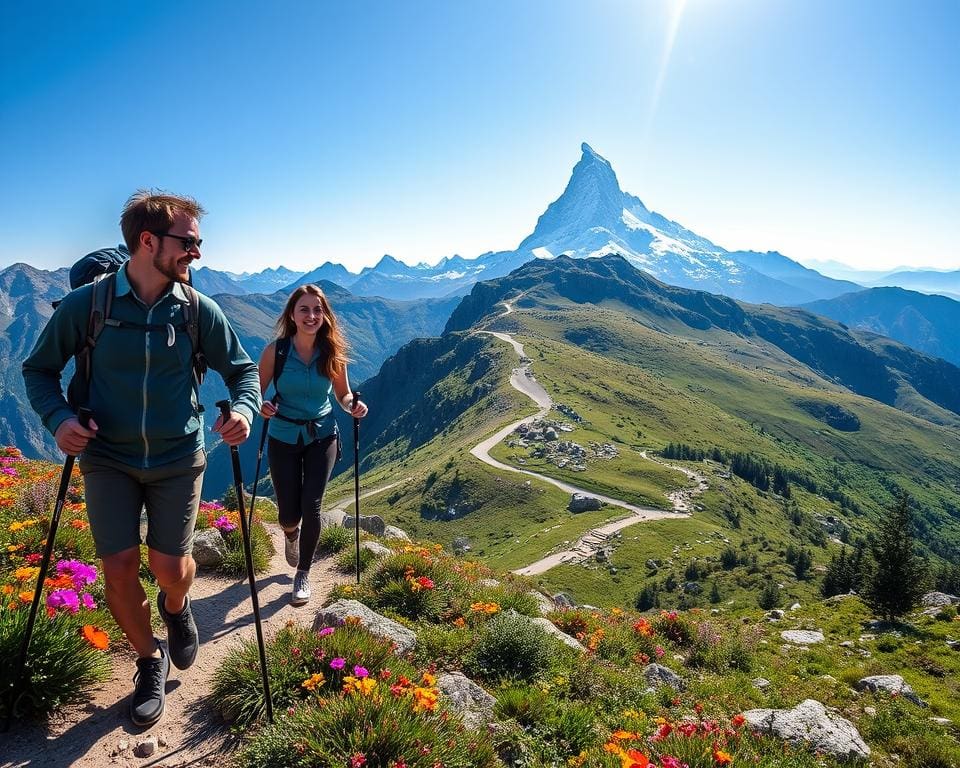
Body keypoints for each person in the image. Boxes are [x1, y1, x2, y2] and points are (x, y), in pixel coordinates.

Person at [22, 191, 261, 727]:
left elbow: (242, 371)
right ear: (147, 241)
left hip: (179, 455)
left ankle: (177, 608)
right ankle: (148, 659)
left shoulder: (199, 310)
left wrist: (244, 410)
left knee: (170, 569)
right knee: (120, 568)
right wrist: (59, 420)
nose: (196, 253)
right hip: (107, 457)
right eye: (189, 242)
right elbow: (38, 371)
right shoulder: (89, 306)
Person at [258, 284, 368, 605]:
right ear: (292, 314)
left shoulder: (332, 352)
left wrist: (352, 406)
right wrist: (260, 406)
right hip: (283, 435)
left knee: (313, 505)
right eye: (304, 309)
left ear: (325, 315)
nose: (312, 316)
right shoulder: (275, 352)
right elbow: (255, 390)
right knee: (289, 513)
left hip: (322, 435)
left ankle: (303, 573)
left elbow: (342, 393)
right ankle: (291, 535)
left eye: (318, 310)